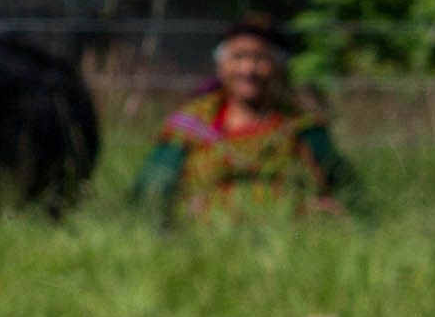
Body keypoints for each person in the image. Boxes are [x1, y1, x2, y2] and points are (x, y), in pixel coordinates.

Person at [134, 16, 359, 226]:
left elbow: (348, 192)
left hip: (292, 233)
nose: (248, 69)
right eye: (238, 57)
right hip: (205, 233)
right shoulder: (191, 126)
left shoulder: (302, 127)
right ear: (221, 66)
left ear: (279, 66)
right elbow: (153, 190)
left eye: (260, 58)